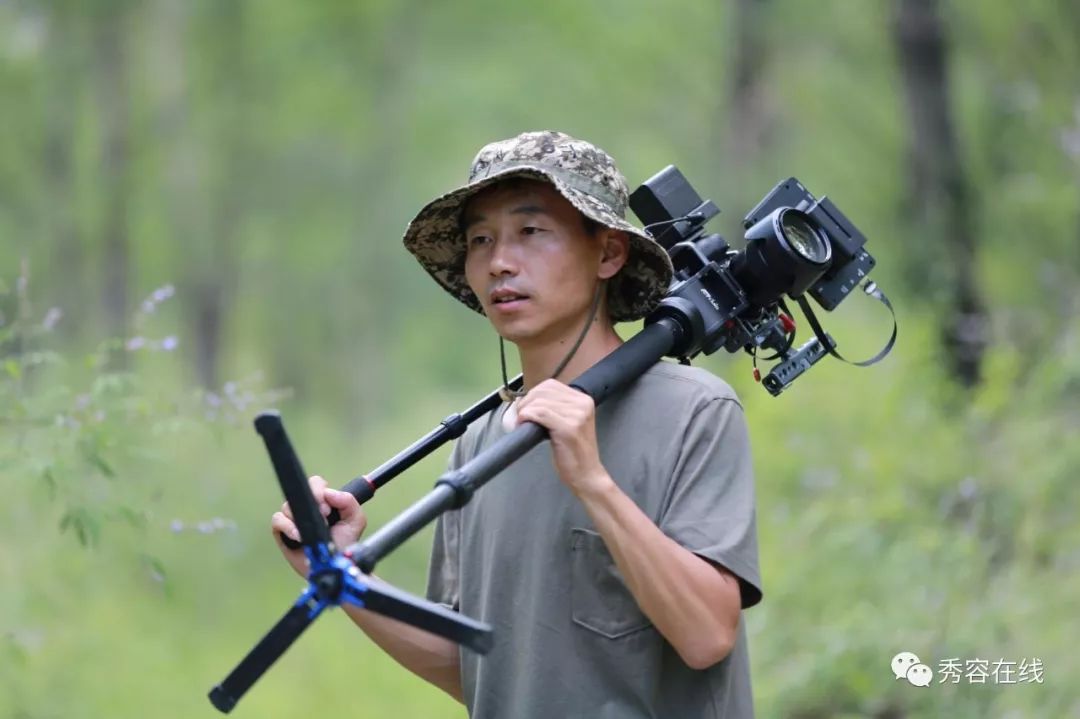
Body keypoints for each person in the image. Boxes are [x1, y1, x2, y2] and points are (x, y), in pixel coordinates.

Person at [272, 130, 763, 718]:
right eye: (481, 239)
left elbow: (707, 636)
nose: (500, 262)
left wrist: (592, 481)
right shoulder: (482, 443)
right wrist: (341, 574)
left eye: (531, 233)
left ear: (608, 254)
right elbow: (472, 667)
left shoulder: (693, 411)